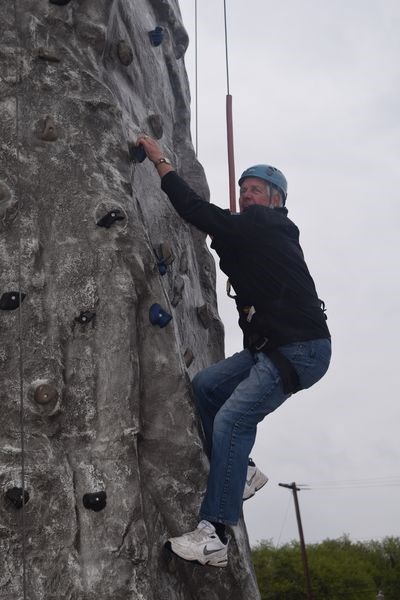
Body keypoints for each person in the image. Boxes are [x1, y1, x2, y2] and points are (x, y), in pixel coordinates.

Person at [137, 135, 331, 568]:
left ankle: (215, 535)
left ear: (276, 200)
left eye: (256, 188)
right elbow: (226, 237)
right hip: (274, 347)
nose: (246, 193)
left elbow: (197, 212)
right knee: (206, 387)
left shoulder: (267, 224)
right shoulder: (259, 232)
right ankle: (240, 471)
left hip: (300, 350)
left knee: (233, 417)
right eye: (243, 187)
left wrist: (159, 161)